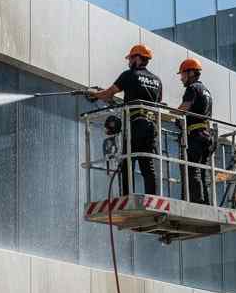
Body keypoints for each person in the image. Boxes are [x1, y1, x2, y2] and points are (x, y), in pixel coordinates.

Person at [88, 44, 163, 195]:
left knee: (127, 162)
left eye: (130, 59)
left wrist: (94, 94)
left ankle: (127, 197)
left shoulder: (130, 75)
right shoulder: (157, 81)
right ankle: (153, 197)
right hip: (151, 127)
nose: (128, 62)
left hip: (135, 125)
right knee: (147, 164)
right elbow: (156, 102)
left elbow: (109, 93)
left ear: (137, 58)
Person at [175, 58, 214, 204]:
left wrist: (169, 112)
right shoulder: (206, 91)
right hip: (206, 136)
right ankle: (205, 203)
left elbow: (183, 109)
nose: (181, 78)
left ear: (191, 73)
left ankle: (196, 202)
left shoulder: (192, 88)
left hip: (195, 136)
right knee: (202, 172)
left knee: (192, 170)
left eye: (183, 75)